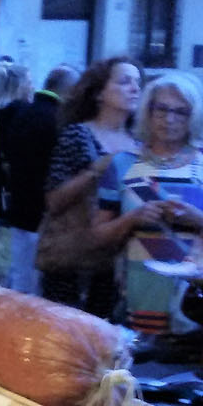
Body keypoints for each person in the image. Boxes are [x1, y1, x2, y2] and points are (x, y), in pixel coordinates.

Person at [93, 73, 203, 336]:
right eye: (162, 109)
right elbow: (96, 237)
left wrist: (198, 220)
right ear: (148, 111)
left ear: (195, 116)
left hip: (198, 301)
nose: (169, 119)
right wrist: (132, 219)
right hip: (138, 296)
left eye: (181, 112)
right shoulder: (123, 164)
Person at [38, 57, 143, 318]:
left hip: (115, 261)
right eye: (124, 81)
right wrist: (97, 170)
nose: (134, 89)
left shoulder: (139, 145)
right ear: (99, 93)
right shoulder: (79, 135)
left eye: (138, 83)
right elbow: (53, 200)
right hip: (73, 259)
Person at [0, 64, 80, 294]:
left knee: (20, 279)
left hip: (18, 209)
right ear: (69, 92)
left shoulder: (20, 112)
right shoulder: (60, 122)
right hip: (44, 216)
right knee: (36, 287)